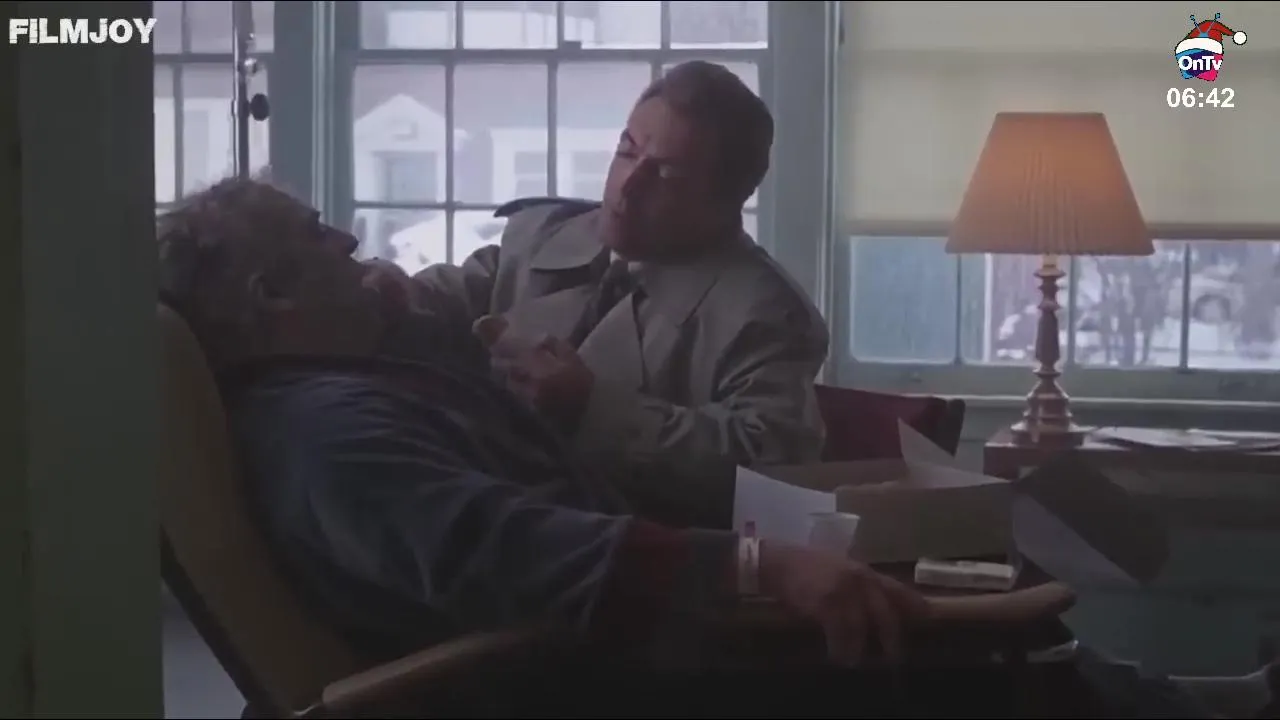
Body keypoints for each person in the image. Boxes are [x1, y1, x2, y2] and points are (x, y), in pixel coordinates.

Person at [157, 177, 1275, 719]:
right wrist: (763, 569)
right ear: (272, 297)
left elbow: (759, 444)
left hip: (672, 586)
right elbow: (517, 549)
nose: (351, 238)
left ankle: (1198, 701)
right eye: (319, 236)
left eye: (673, 172)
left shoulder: (364, 372)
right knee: (962, 669)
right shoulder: (332, 435)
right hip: (582, 672)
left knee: (989, 636)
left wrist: (409, 319)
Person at [382, 61, 828, 528]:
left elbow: (773, 463)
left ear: (726, 200)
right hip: (471, 506)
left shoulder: (767, 316)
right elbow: (456, 293)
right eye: (626, 151)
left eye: (667, 175)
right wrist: (387, 291)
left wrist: (592, 411)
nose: (627, 186)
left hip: (626, 544)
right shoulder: (544, 233)